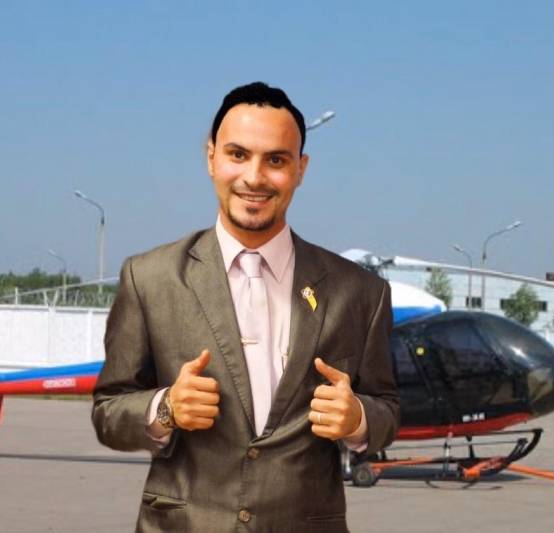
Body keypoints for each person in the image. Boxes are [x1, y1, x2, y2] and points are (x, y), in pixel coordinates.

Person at [92, 81, 399, 532]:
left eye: (276, 160)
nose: (254, 178)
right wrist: (166, 407)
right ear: (211, 157)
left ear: (300, 169)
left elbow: (387, 408)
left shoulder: (360, 292)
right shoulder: (150, 277)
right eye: (238, 154)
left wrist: (358, 419)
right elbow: (108, 411)